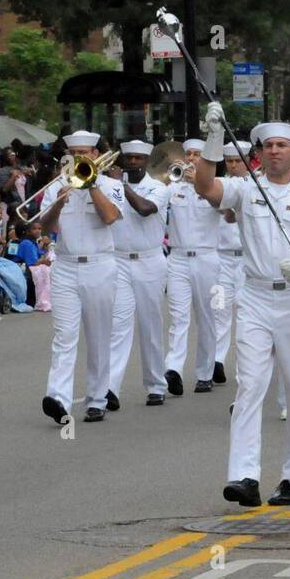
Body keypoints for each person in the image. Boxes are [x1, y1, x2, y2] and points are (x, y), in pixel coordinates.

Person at [192, 109, 290, 508]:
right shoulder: (245, 189)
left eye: (282, 145)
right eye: (268, 146)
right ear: (259, 153)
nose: (275, 151)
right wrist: (213, 139)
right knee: (249, 386)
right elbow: (205, 187)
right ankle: (244, 476)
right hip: (256, 297)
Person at [37, 131, 124, 424]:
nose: (80, 160)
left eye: (85, 153)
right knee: (64, 336)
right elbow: (46, 226)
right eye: (75, 155)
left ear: (97, 154)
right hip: (65, 265)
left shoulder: (111, 184)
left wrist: (91, 186)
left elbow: (111, 217)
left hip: (100, 265)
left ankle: (98, 398)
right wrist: (58, 204)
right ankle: (58, 399)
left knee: (99, 335)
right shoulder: (56, 186)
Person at [108, 139, 171, 408]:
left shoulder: (158, 187)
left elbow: (145, 210)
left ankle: (156, 385)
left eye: (138, 158)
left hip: (149, 260)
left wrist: (120, 186)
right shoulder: (108, 187)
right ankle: (109, 388)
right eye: (128, 158)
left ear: (146, 161)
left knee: (150, 325)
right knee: (118, 327)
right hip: (119, 260)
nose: (132, 162)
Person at [165, 138, 221, 395]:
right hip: (177, 257)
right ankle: (173, 369)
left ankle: (205, 372)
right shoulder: (173, 187)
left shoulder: (213, 185)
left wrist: (199, 184)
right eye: (189, 154)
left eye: (197, 154)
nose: (191, 159)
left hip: (206, 257)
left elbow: (222, 208)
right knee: (178, 317)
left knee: (207, 317)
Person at [213, 142, 251, 387]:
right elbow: (226, 216)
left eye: (238, 161)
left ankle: (246, 367)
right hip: (223, 259)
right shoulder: (222, 186)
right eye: (229, 161)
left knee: (246, 315)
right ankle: (216, 361)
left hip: (248, 261)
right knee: (220, 310)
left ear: (247, 160)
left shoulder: (256, 184)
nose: (234, 165)